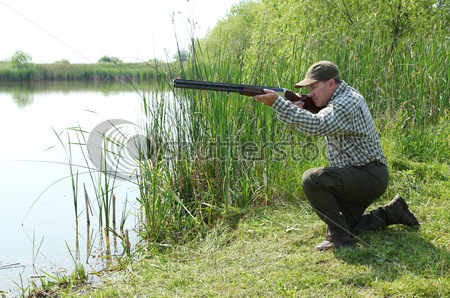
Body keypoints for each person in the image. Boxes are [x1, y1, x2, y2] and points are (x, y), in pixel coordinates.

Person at [253, 60, 420, 251]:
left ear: (331, 83)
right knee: (346, 225)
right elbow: (315, 122)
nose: (310, 94)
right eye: (308, 89)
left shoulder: (348, 102)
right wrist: (298, 107)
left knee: (311, 179)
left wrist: (278, 103)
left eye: (314, 87)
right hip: (357, 175)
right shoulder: (338, 100)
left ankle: (340, 239)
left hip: (369, 175)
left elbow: (316, 126)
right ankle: (393, 212)